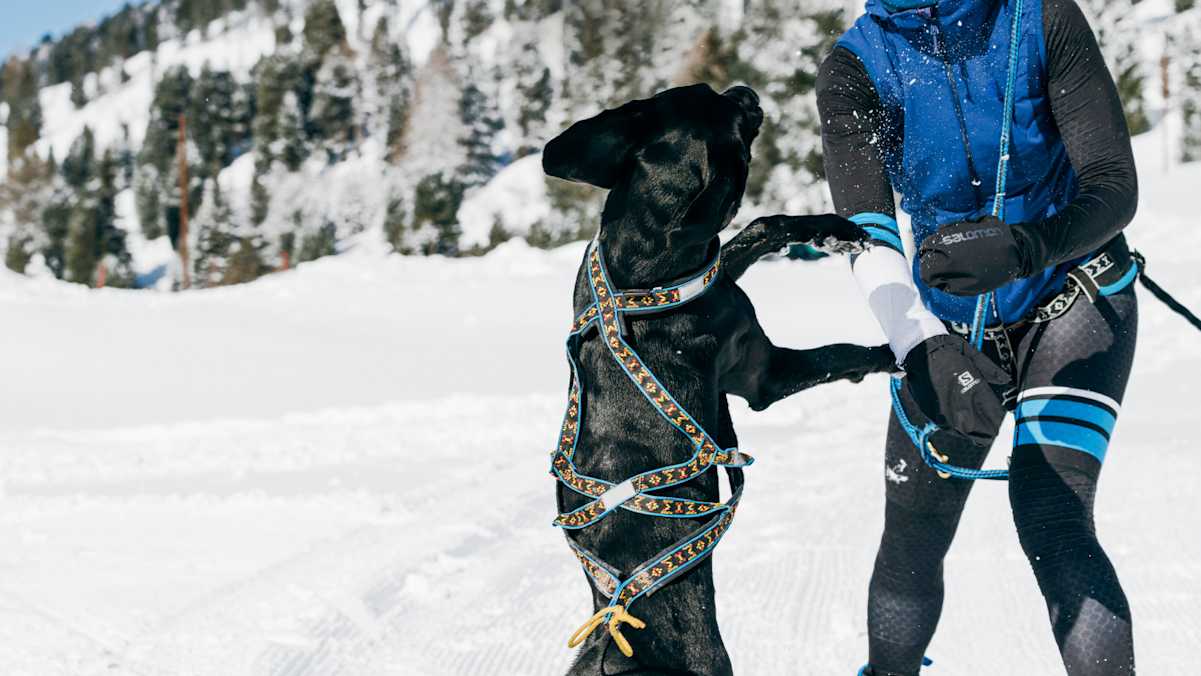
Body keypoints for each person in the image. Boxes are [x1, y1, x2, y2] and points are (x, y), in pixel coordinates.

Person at [816, 0, 1140, 673]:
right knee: (913, 530)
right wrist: (922, 347)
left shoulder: (1040, 16)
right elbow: (866, 235)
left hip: (1073, 295)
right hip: (944, 324)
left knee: (1051, 513)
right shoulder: (855, 66)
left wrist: (1029, 247)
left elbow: (1111, 186)